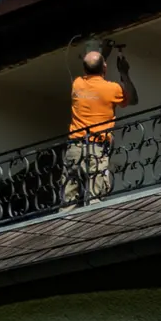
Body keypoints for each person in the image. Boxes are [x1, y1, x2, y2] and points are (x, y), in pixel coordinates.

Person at [64, 42, 138, 208]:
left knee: (68, 199)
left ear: (84, 70)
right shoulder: (112, 89)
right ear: (104, 68)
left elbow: (93, 66)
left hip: (74, 148)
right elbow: (133, 99)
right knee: (95, 200)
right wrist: (124, 73)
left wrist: (102, 54)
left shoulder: (77, 84)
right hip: (96, 149)